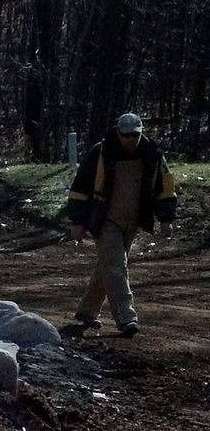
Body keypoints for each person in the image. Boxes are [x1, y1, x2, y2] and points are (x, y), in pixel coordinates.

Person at [63, 113, 179, 338]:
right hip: (106, 220)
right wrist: (78, 222)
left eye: (134, 134)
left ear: (141, 132)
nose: (130, 139)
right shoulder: (100, 152)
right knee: (116, 268)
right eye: (125, 135)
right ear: (117, 132)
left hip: (133, 220)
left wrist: (166, 219)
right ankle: (127, 318)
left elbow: (165, 188)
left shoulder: (152, 154)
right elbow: (80, 188)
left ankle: (87, 312)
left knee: (108, 266)